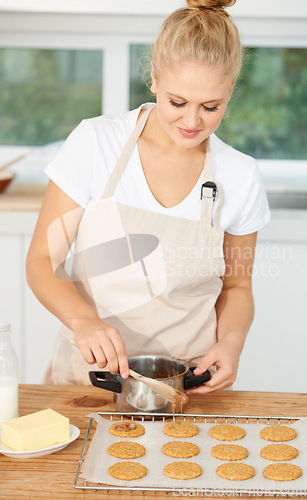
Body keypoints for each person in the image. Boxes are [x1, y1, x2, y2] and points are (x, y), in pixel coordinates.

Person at [26, 0, 270, 392]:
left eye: (211, 106)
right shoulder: (96, 143)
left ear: (231, 92)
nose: (192, 122)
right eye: (177, 102)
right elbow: (42, 261)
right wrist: (82, 321)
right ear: (153, 77)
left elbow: (237, 287)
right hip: (89, 383)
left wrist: (231, 343)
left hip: (186, 388)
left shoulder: (240, 175)